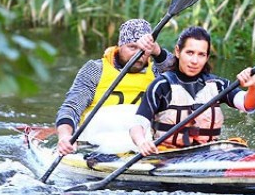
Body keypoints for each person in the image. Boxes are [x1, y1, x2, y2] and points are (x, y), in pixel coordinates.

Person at [129, 26, 255, 156]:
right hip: (169, 155)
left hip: (210, 153)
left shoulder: (217, 85)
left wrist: (254, 85)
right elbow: (138, 123)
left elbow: (248, 105)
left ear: (207, 57)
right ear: (178, 51)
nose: (194, 61)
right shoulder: (161, 86)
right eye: (190, 53)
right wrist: (141, 142)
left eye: (201, 54)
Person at [55, 19, 173, 155]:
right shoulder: (95, 69)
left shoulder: (157, 72)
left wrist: (159, 53)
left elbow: (182, 76)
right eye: (132, 47)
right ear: (120, 46)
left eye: (143, 50)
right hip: (95, 143)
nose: (138, 55)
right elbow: (71, 107)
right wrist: (65, 136)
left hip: (142, 142)